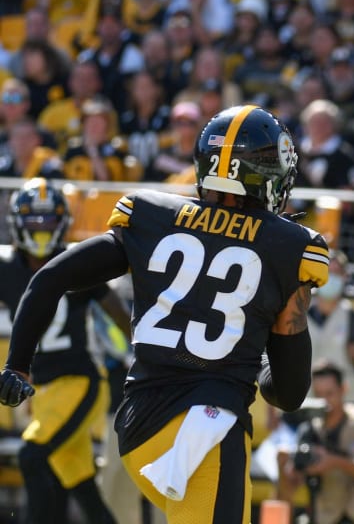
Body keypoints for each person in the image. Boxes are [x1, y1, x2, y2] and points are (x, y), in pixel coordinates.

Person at [0, 105, 330, 523]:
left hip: (139, 423)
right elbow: (288, 392)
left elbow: (49, 278)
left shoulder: (153, 215)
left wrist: (18, 366)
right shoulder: (291, 247)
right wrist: (259, 358)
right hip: (207, 427)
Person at [0, 178, 129, 524]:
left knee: (31, 456)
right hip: (43, 392)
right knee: (83, 486)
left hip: (80, 382)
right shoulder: (7, 267)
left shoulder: (76, 260)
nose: (41, 230)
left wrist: (145, 351)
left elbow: (118, 313)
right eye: (34, 221)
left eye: (47, 220)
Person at [278, 361, 354, 524]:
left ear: (343, 389)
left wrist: (335, 462)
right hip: (323, 517)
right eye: (319, 395)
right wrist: (286, 469)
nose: (325, 402)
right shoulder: (310, 428)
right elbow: (293, 485)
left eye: (329, 394)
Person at [309, 250, 354, 405]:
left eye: (336, 272)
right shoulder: (299, 316)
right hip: (304, 403)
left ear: (345, 276)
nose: (330, 278)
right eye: (326, 272)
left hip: (347, 403)